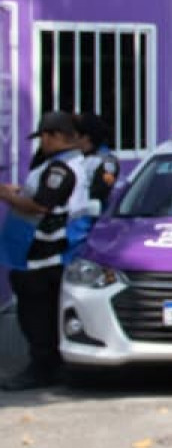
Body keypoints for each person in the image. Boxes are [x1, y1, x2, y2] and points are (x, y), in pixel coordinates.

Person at [0, 113, 90, 389]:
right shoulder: (65, 164)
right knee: (43, 314)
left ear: (54, 136)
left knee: (36, 316)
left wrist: (4, 194)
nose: (42, 144)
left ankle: (41, 369)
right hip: (41, 254)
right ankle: (51, 368)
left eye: (44, 138)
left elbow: (42, 206)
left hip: (41, 255)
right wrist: (19, 192)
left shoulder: (60, 169)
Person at [72, 112, 119, 254]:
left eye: (74, 135)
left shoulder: (105, 162)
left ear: (85, 137)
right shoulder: (77, 158)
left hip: (87, 229)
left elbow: (98, 194)